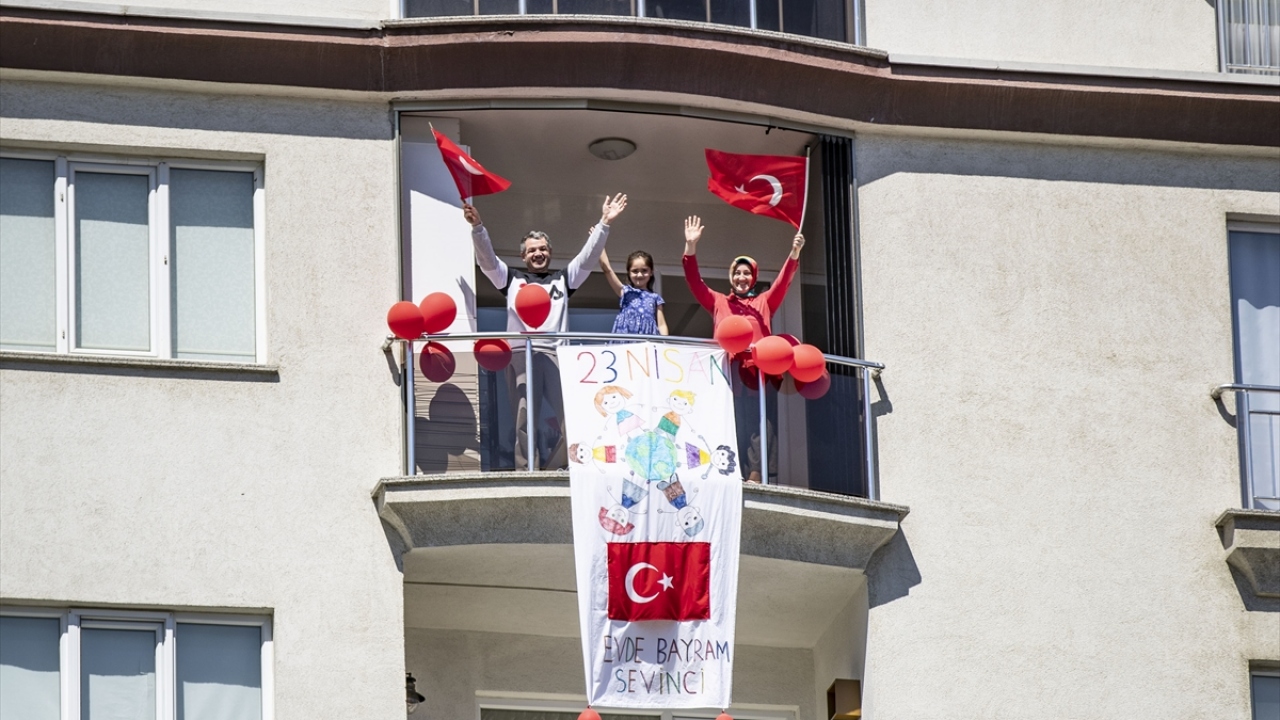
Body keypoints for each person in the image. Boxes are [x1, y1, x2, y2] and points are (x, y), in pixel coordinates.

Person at [464, 193, 628, 470]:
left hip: (556, 355)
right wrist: (478, 227)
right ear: (523, 255)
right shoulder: (512, 279)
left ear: (550, 252)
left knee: (571, 418)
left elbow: (587, 258)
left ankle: (560, 467)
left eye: (542, 248)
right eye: (531, 250)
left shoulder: (563, 280)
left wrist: (604, 223)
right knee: (524, 416)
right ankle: (525, 471)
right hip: (521, 357)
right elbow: (488, 262)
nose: (537, 253)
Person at [680, 214, 805, 483]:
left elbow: (783, 282)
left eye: (747, 273)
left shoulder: (763, 303)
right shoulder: (718, 302)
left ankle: (757, 474)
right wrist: (691, 248)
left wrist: (793, 254)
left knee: (761, 425)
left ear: (754, 277)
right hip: (728, 373)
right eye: (737, 272)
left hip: (759, 373)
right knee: (730, 421)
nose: (741, 277)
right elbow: (694, 282)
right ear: (731, 277)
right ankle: (731, 471)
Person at [598, 248, 669, 336]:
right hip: (625, 341)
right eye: (635, 271)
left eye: (644, 270)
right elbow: (607, 270)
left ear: (651, 272)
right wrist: (598, 241)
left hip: (647, 342)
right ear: (629, 273)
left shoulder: (656, 298)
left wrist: (665, 342)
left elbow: (661, 324)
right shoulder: (625, 292)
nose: (639, 275)